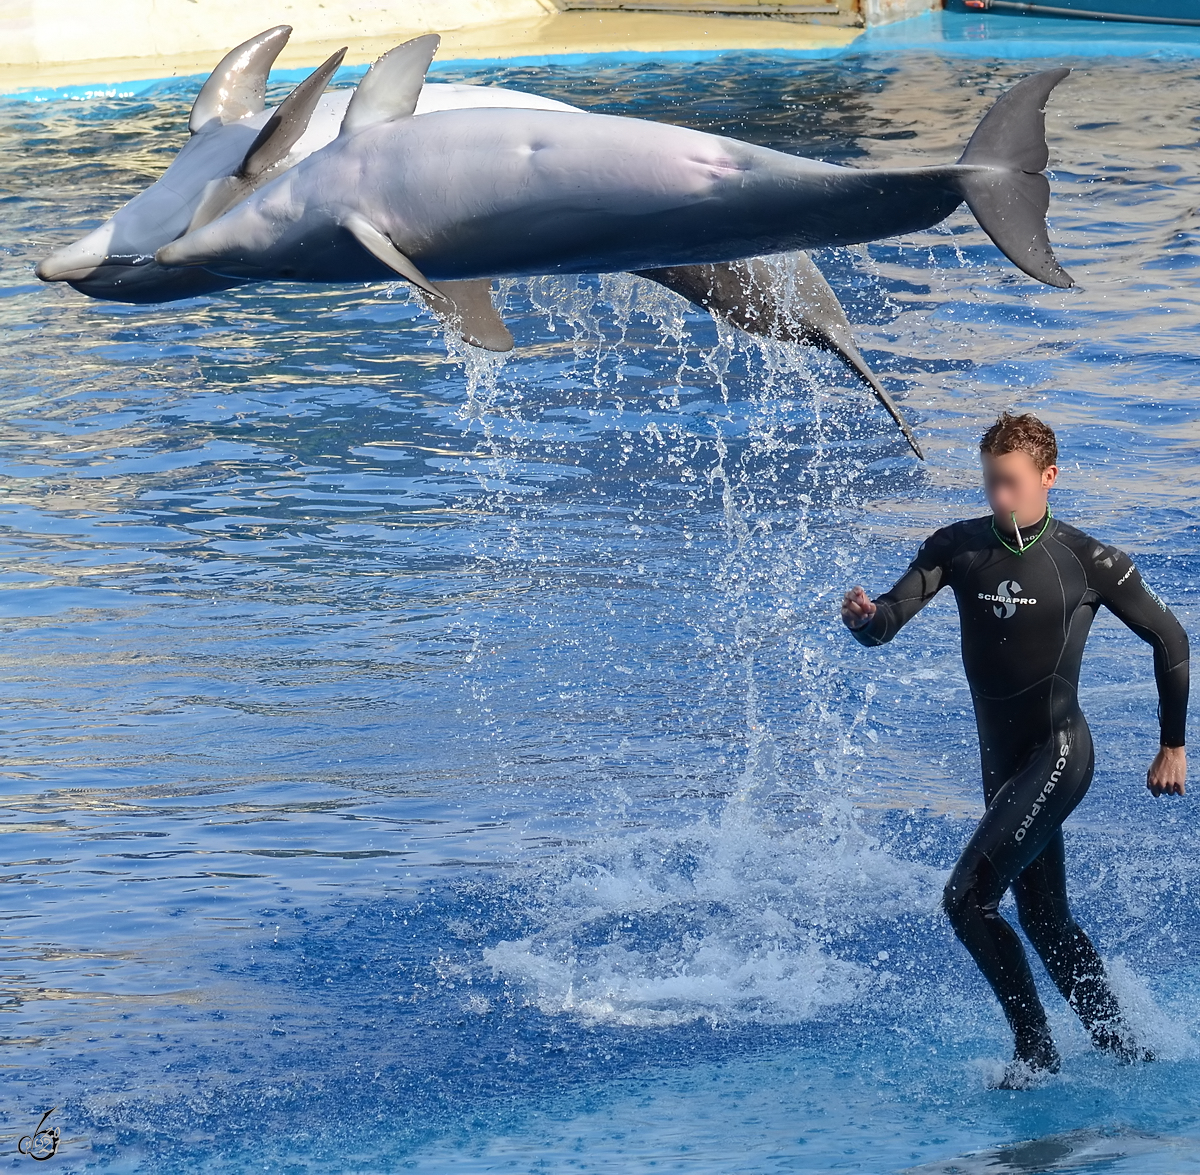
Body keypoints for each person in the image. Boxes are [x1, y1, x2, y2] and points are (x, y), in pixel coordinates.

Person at [841, 412, 1189, 1086]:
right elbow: (888, 618)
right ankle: (1127, 1047)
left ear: (1047, 478)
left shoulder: (1086, 560)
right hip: (1003, 769)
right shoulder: (957, 547)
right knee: (1045, 919)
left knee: (967, 899)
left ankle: (1036, 1051)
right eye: (990, 482)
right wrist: (864, 621)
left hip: (1060, 754)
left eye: (1011, 483)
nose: (999, 497)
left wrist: (1171, 744)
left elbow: (1171, 639)